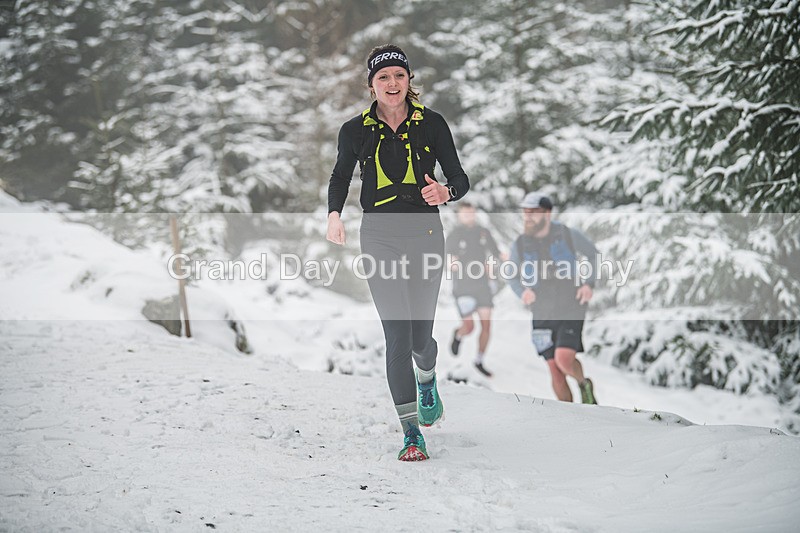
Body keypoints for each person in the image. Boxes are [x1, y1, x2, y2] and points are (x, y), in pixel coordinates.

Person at [326, 44, 470, 461]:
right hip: (379, 235)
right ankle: (411, 433)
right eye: (383, 77)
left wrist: (447, 191)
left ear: (410, 81)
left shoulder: (433, 124)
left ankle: (427, 379)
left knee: (421, 339)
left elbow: (459, 177)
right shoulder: (354, 130)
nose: (392, 84)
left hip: (425, 232)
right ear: (371, 85)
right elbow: (340, 175)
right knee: (397, 336)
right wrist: (334, 215)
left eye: (399, 76)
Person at [507, 192, 598, 405]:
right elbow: (511, 275)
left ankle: (584, 383)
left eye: (533, 212)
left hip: (571, 304)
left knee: (563, 359)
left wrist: (588, 283)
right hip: (541, 309)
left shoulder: (567, 234)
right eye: (525, 212)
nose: (527, 217)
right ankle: (569, 415)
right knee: (555, 371)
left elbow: (594, 255)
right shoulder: (520, 244)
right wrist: (523, 292)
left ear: (547, 213)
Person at [446, 202, 503, 377]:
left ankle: (479, 360)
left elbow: (496, 253)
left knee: (486, 325)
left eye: (471, 213)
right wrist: (452, 264)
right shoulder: (455, 235)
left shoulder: (483, 232)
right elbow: (448, 259)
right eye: (465, 213)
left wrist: (498, 263)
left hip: (482, 285)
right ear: (459, 215)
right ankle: (458, 334)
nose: (469, 216)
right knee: (469, 327)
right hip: (463, 287)